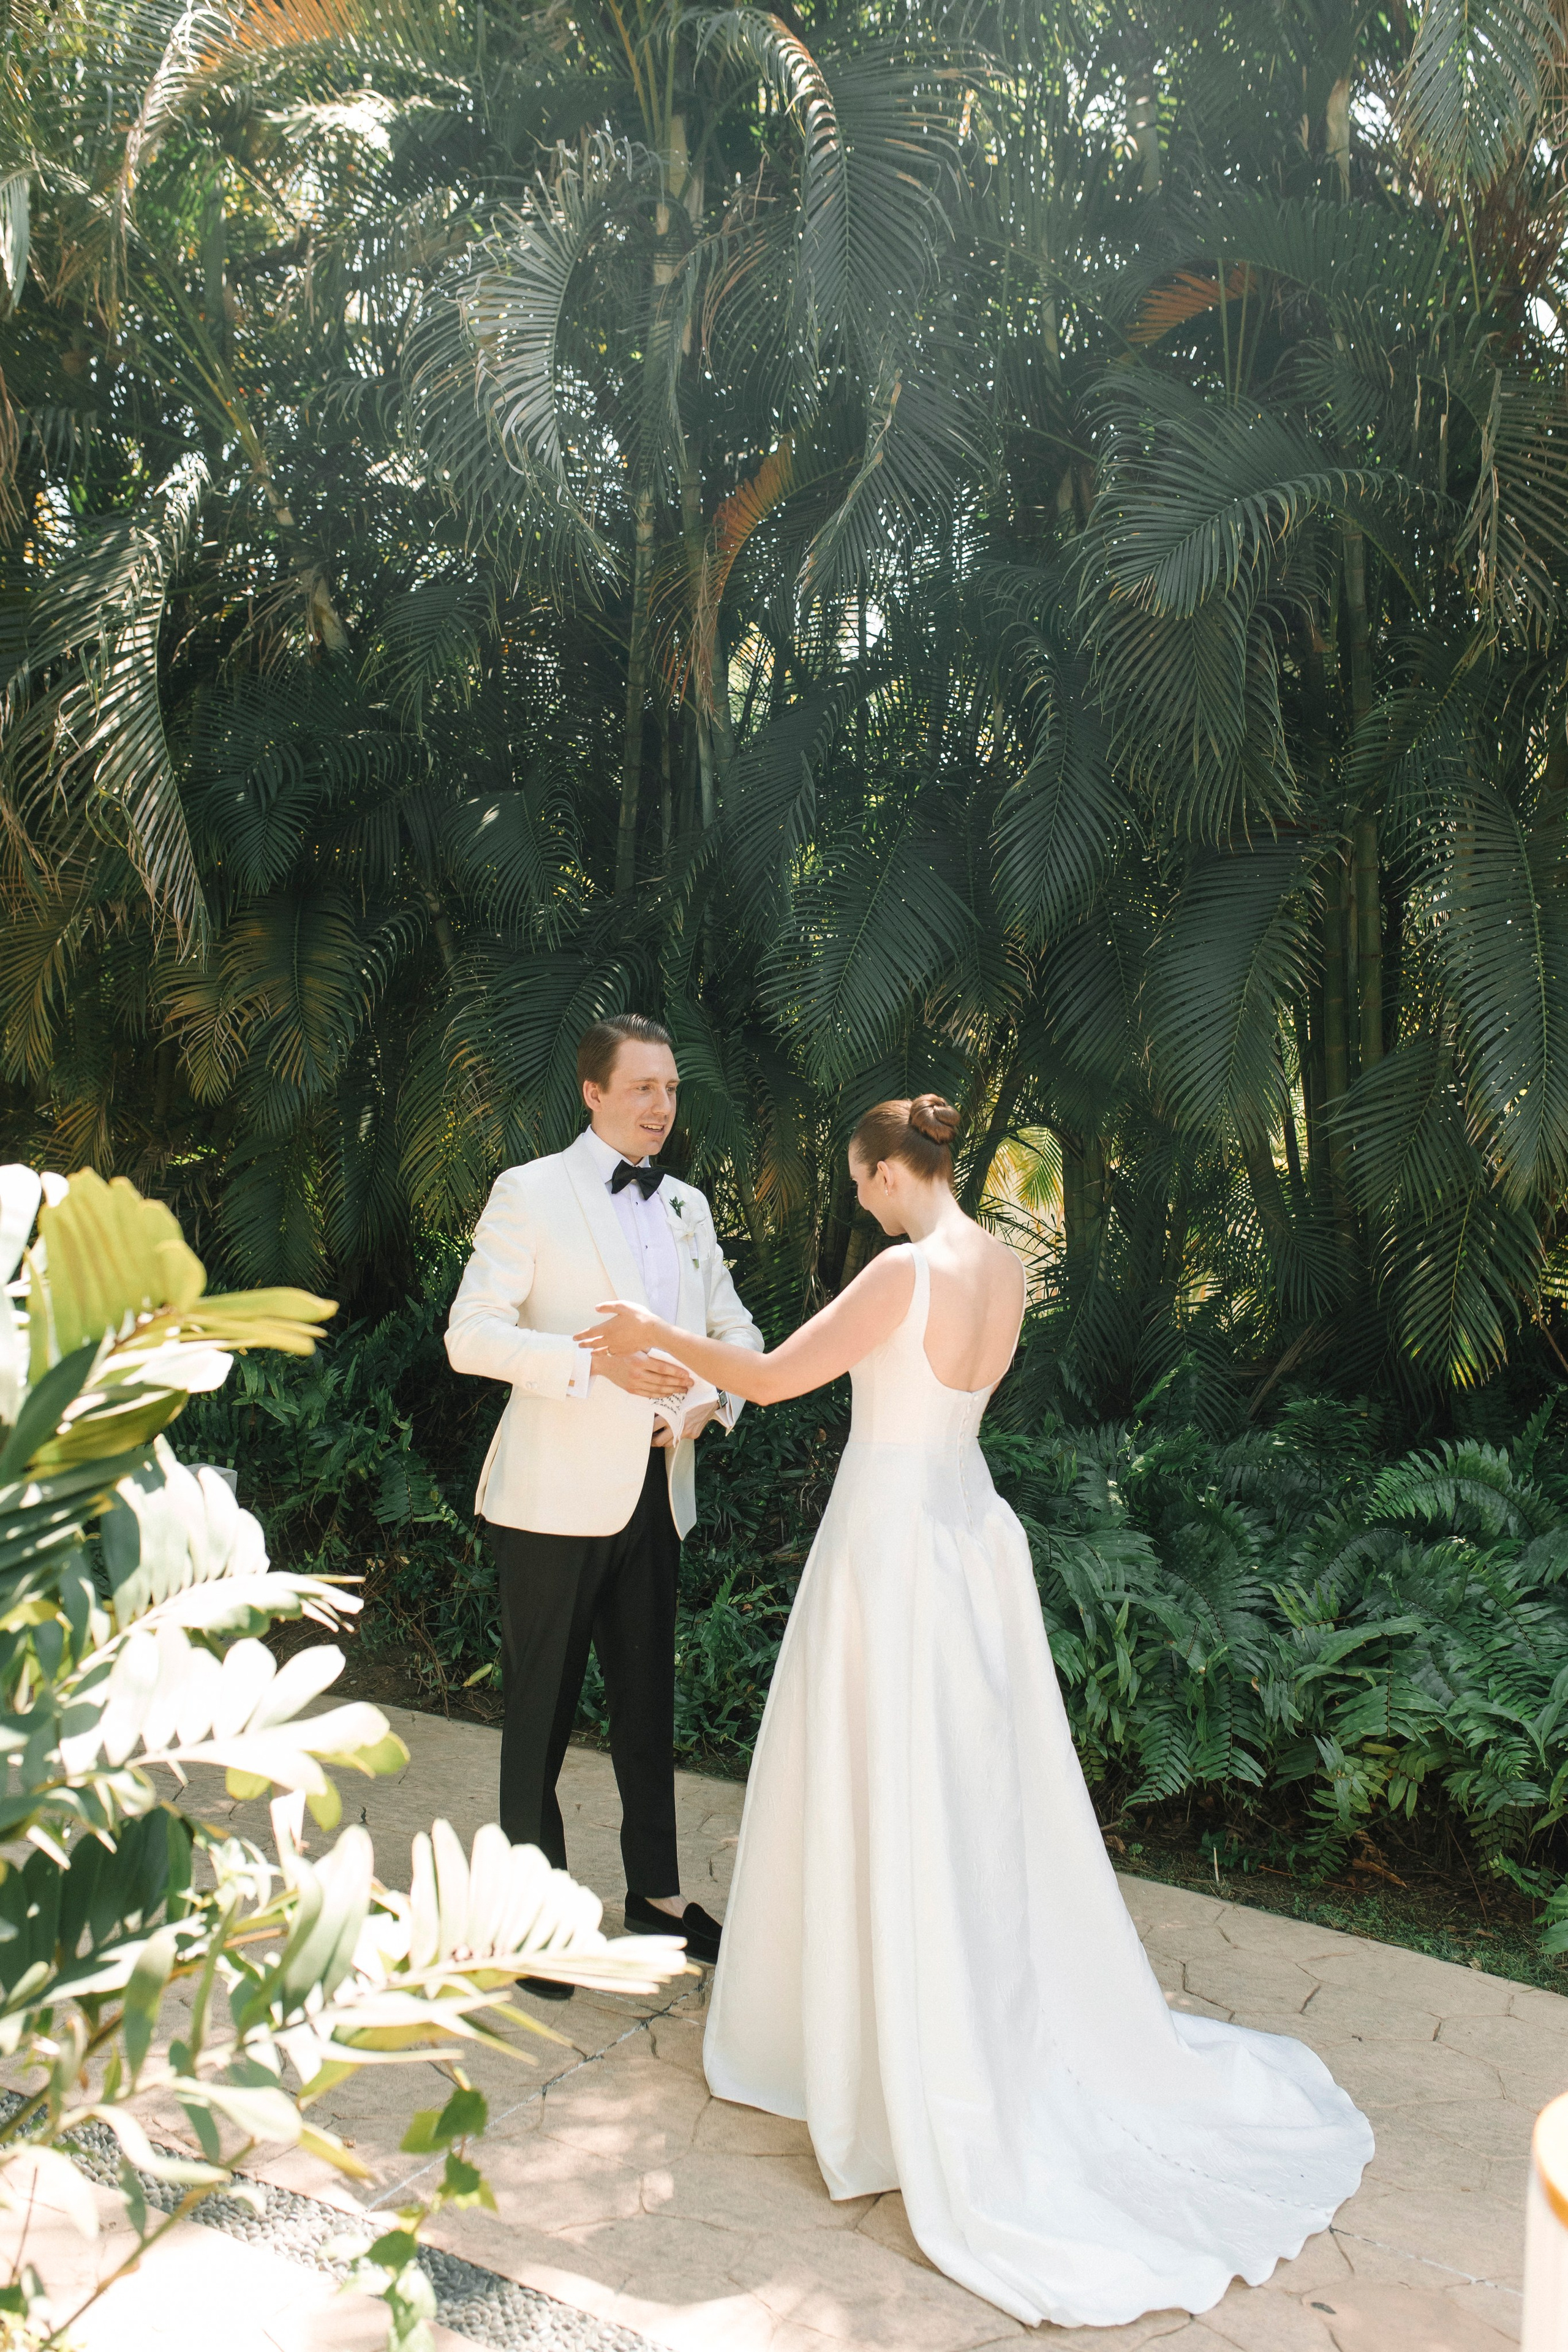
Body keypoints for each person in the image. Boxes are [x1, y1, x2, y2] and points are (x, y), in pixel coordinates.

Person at [576, 1093, 1373, 2329]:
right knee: (951, 1791)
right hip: (960, 1524)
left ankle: (872, 2051)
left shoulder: (903, 1273)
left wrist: (648, 1333)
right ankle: (891, 2017)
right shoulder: (999, 1264)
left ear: (895, 1171)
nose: (853, 1199)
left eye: (858, 1180)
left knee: (879, 1782)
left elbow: (780, 1380)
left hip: (893, 1542)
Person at [445, 1014, 763, 1991]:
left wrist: (711, 1401)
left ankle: (655, 1895)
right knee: (538, 1714)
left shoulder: (691, 1208)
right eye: (642, 1089)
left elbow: (735, 1333)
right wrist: (594, 1369)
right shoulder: (530, 1193)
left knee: (646, 1707)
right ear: (592, 1092)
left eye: (670, 1089)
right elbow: (471, 1336)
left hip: (657, 1495)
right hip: (550, 1496)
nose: (661, 1107)